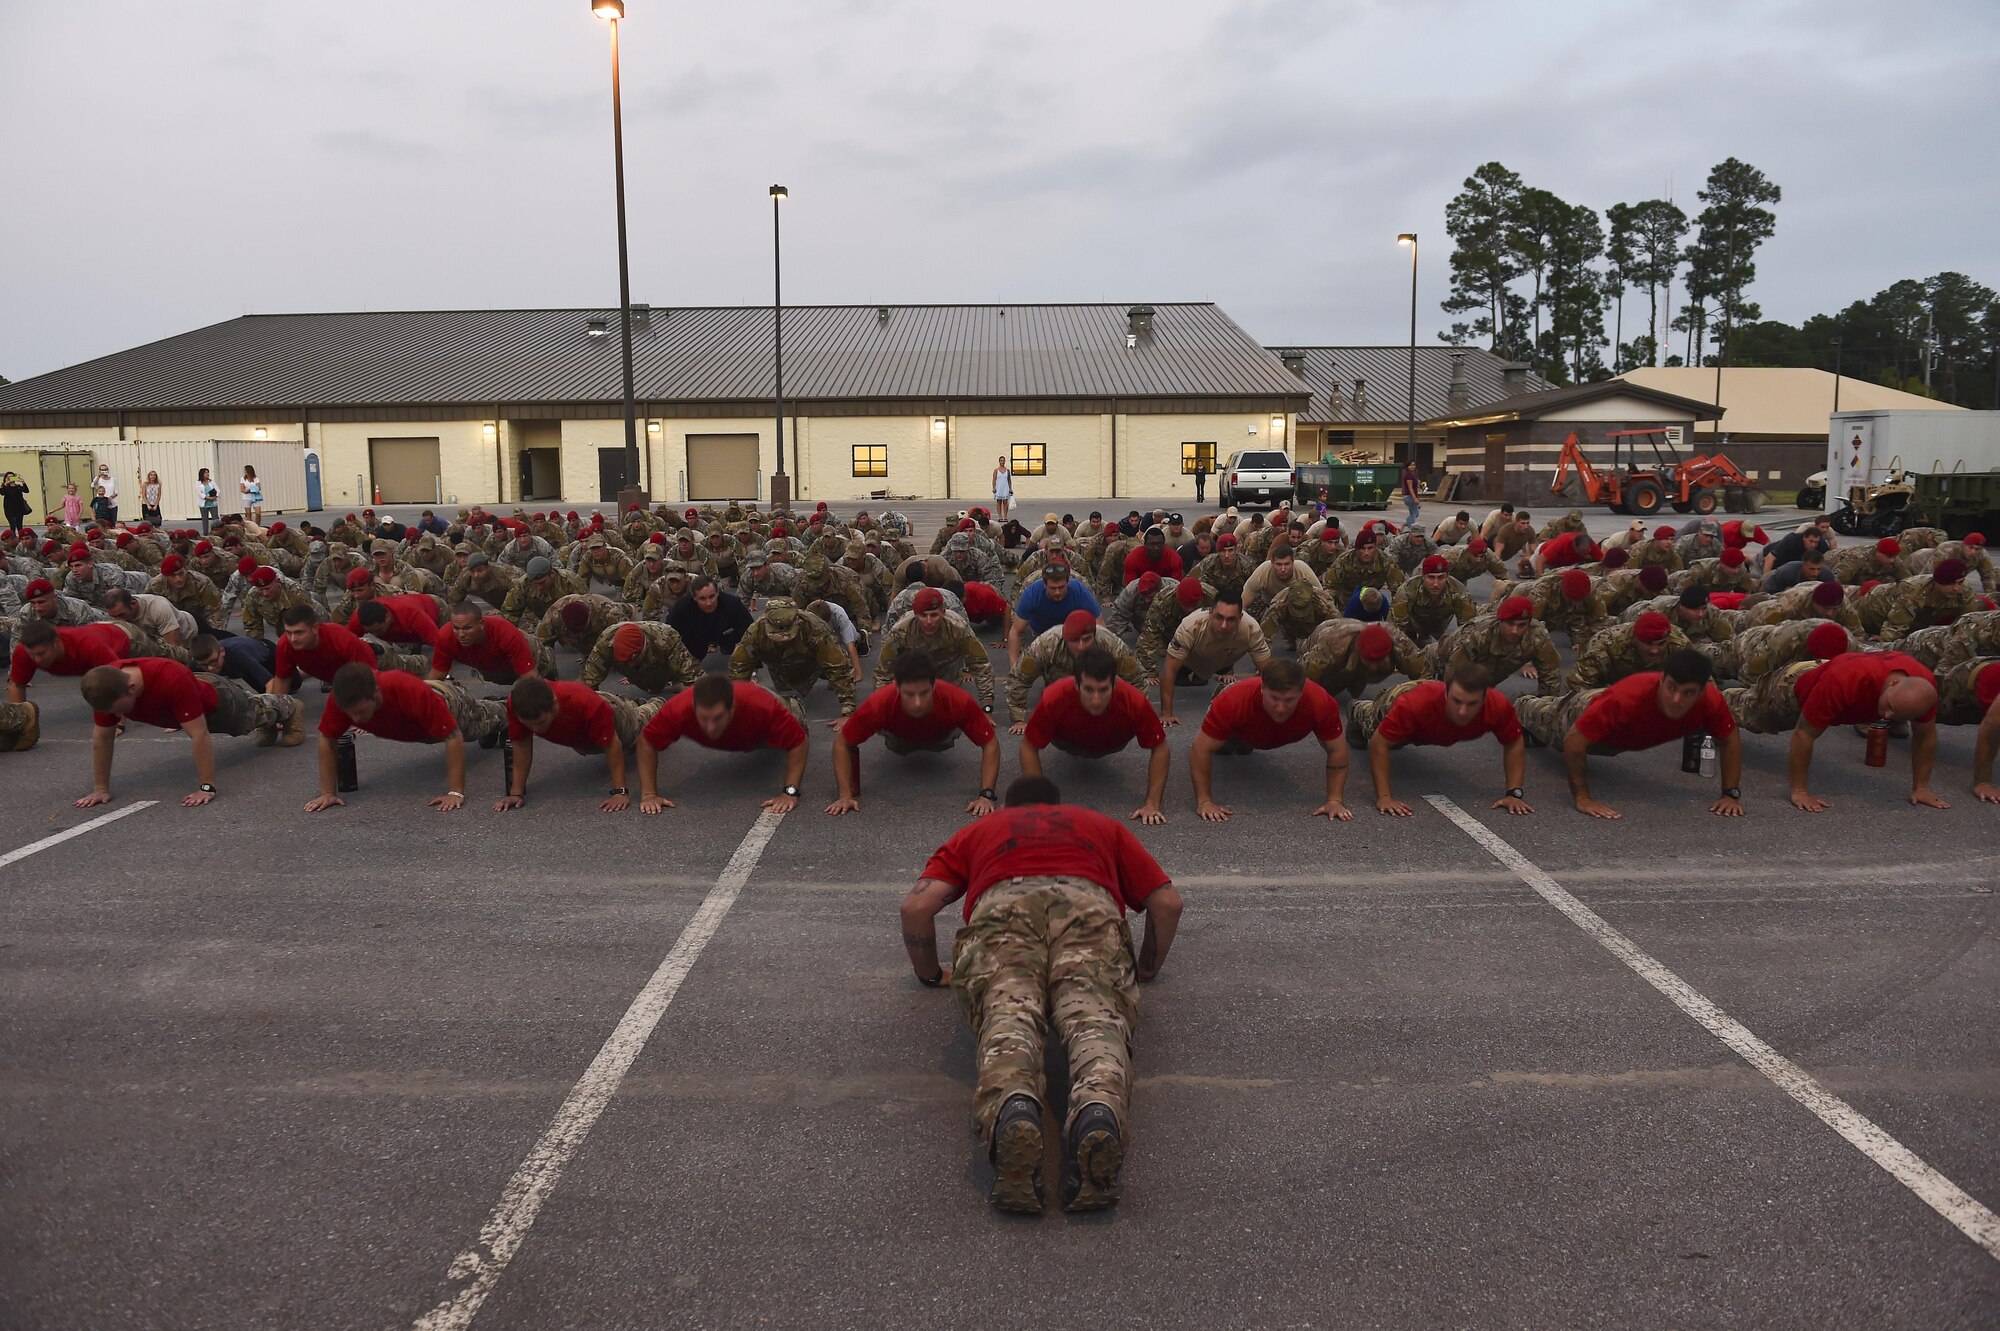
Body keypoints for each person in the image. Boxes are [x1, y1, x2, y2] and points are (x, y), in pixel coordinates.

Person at [898, 774, 1182, 1213]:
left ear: (1009, 809)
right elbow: (1167, 904)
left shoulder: (981, 829)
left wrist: (930, 973)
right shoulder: (1098, 825)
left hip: (1003, 909)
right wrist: (1145, 967)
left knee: (1008, 1021)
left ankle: (1014, 1108)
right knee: (1094, 1024)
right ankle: (1097, 1112)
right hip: (1088, 908)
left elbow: (916, 907)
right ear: (1058, 805)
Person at [1516, 650, 1744, 821]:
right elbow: (1573, 742)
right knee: (1543, 719)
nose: (1676, 699)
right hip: (1585, 709)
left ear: (1701, 691)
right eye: (1671, 688)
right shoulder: (1627, 699)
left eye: (1688, 693)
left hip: (1617, 734)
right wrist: (1583, 798)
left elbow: (1729, 739)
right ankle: (1521, 703)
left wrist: (1730, 794)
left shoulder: (1711, 701)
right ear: (1662, 680)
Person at [1723, 647, 1947, 813]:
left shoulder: (1922, 689)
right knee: (1745, 712)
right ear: (1893, 685)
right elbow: (1804, 734)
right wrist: (1799, 791)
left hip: (1831, 669)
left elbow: (1925, 736)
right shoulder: (1848, 680)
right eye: (1889, 707)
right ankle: (1707, 699)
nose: (1887, 717)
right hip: (1793, 688)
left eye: (1898, 715)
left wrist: (1922, 787)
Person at [74, 658, 304, 808]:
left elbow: (199, 735)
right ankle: (271, 722)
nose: (116, 716)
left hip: (217, 702)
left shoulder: (169, 677)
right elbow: (102, 738)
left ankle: (289, 706)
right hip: (181, 704)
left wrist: (206, 787)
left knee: (249, 719)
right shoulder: (106, 686)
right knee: (254, 720)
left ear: (132, 687)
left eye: (117, 710)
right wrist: (100, 788)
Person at [304, 663, 504, 813]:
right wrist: (328, 792)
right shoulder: (343, 698)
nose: (355, 719)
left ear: (375, 693)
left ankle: (507, 708)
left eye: (360, 711)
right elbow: (327, 740)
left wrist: (455, 792)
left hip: (448, 701)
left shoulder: (405, 690)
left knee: (481, 723)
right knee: (478, 722)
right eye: (350, 714)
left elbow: (453, 737)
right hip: (416, 723)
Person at [826, 651, 1000, 816]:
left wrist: (986, 795)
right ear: (897, 687)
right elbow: (842, 743)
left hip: (942, 736)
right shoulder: (880, 702)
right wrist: (845, 795)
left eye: (924, 693)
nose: (917, 703)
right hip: (898, 739)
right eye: (909, 694)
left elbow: (990, 743)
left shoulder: (957, 699)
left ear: (934, 686)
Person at [1353, 664, 1531, 817]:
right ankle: (1357, 708)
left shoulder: (1498, 706)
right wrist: (1384, 798)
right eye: (1457, 701)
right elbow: (1379, 744)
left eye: (1471, 704)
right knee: (1372, 726)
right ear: (1446, 694)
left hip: (1429, 720)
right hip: (1400, 698)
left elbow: (1514, 743)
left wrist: (1514, 793)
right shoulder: (1413, 705)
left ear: (1484, 698)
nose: (1462, 711)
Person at [1018, 646, 1170, 824]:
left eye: (1103, 690)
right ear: (1076, 685)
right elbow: (1028, 746)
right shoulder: (1054, 697)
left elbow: (1160, 747)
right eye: (1088, 690)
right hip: (1067, 741)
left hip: (1112, 742)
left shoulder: (1133, 700)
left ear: (1114, 684)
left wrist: (1152, 804)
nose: (1096, 700)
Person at [1188, 658, 1350, 821]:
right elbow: (1200, 748)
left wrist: (1335, 800)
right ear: (1262, 688)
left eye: (1289, 700)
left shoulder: (1320, 701)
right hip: (1239, 722)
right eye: (1274, 698)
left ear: (1301, 693)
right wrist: (1204, 801)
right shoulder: (1233, 701)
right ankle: (1220, 692)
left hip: (1266, 730)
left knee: (1245, 749)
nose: (1280, 708)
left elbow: (1337, 749)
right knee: (1225, 748)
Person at [636, 673, 809, 814]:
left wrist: (790, 793)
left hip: (761, 729)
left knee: (794, 721)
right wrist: (649, 794)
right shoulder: (678, 710)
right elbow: (647, 743)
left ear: (732, 707)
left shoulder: (761, 706)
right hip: (740, 735)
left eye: (717, 718)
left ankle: (795, 703)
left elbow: (799, 742)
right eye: (703, 718)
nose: (710, 728)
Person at [495, 675, 662, 813]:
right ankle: (634, 703)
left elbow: (612, 746)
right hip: (584, 731)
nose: (534, 729)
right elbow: (521, 746)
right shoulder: (517, 704)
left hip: (614, 715)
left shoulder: (585, 704)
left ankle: (657, 704)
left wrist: (620, 792)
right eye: (528, 724)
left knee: (641, 725)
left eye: (540, 723)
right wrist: (516, 793)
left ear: (554, 704)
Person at [1158, 589, 1273, 724]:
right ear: (1210, 613)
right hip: (1191, 661)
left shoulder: (1251, 628)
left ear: (1240, 618)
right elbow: (1169, 671)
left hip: (1225, 661)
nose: (1224, 625)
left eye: (1231, 619)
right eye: (1219, 617)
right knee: (1178, 674)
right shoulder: (1190, 626)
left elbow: (1268, 674)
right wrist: (1166, 714)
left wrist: (1271, 711)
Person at [1009, 562, 1100, 668]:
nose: (1057, 592)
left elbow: (1100, 627)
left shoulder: (1079, 591)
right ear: (1044, 585)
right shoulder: (1032, 594)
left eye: (1061, 587)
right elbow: (1015, 631)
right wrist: (1014, 669)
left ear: (1068, 583)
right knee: (1044, 672)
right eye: (1053, 588)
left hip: (1073, 632)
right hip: (1042, 635)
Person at [664, 574, 754, 668]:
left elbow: (751, 633)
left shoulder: (733, 604)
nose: (708, 603)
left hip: (726, 634)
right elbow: (668, 636)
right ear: (694, 598)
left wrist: (752, 666)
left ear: (717, 593)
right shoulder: (683, 606)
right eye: (702, 598)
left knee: (748, 640)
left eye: (711, 597)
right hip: (696, 637)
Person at [1, 470, 30, 534]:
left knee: (19, 525)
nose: (10, 479)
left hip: (19, 508)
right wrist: (6, 483)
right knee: (12, 525)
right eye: (8, 477)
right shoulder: (5, 487)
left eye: (12, 477)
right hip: (8, 509)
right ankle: (13, 539)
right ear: (6, 478)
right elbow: (2, 493)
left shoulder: (18, 486)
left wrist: (23, 482)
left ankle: (21, 538)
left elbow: (26, 490)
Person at [194, 468, 221, 535]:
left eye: (208, 472)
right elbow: (199, 493)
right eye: (206, 473)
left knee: (215, 519)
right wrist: (207, 497)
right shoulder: (198, 483)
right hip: (204, 504)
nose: (207, 474)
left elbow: (218, 490)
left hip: (213, 503)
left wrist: (215, 497)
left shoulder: (211, 482)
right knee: (205, 520)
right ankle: (205, 534)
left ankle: (216, 533)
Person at [991, 454, 1013, 523]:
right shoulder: (996, 470)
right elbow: (994, 479)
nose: (1002, 462)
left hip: (1005, 487)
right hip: (999, 488)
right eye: (1001, 460)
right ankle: (1000, 516)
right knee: (999, 502)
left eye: (1003, 460)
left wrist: (1010, 488)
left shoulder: (1007, 471)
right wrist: (994, 488)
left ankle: (1005, 516)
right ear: (999, 461)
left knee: (1005, 502)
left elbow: (1009, 480)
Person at [1400, 460, 1422, 528]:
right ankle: (1410, 530)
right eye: (1411, 465)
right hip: (1410, 497)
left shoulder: (1412, 475)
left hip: (1410, 497)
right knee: (1413, 514)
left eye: (1414, 465)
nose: (1413, 466)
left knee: (1416, 513)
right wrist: (1415, 498)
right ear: (1407, 467)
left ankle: (1403, 525)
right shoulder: (1408, 475)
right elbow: (1410, 488)